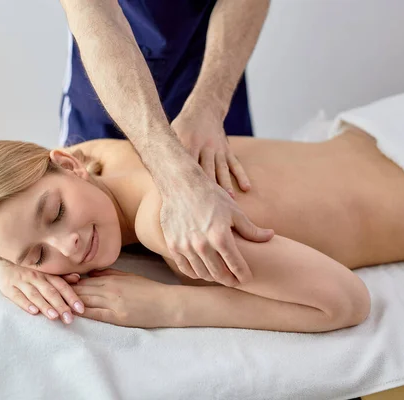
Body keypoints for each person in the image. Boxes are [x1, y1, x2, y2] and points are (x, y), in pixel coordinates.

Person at [0, 85, 404, 331]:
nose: (68, 245)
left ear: (66, 162)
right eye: (40, 253)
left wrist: (170, 309)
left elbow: (345, 304)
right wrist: (5, 265)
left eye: (54, 214)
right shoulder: (101, 158)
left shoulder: (163, 221)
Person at [55, 0, 275, 294]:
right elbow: (92, 13)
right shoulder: (89, 159)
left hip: (205, 78)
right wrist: (2, 262)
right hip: (105, 93)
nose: (68, 247)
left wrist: (209, 105)